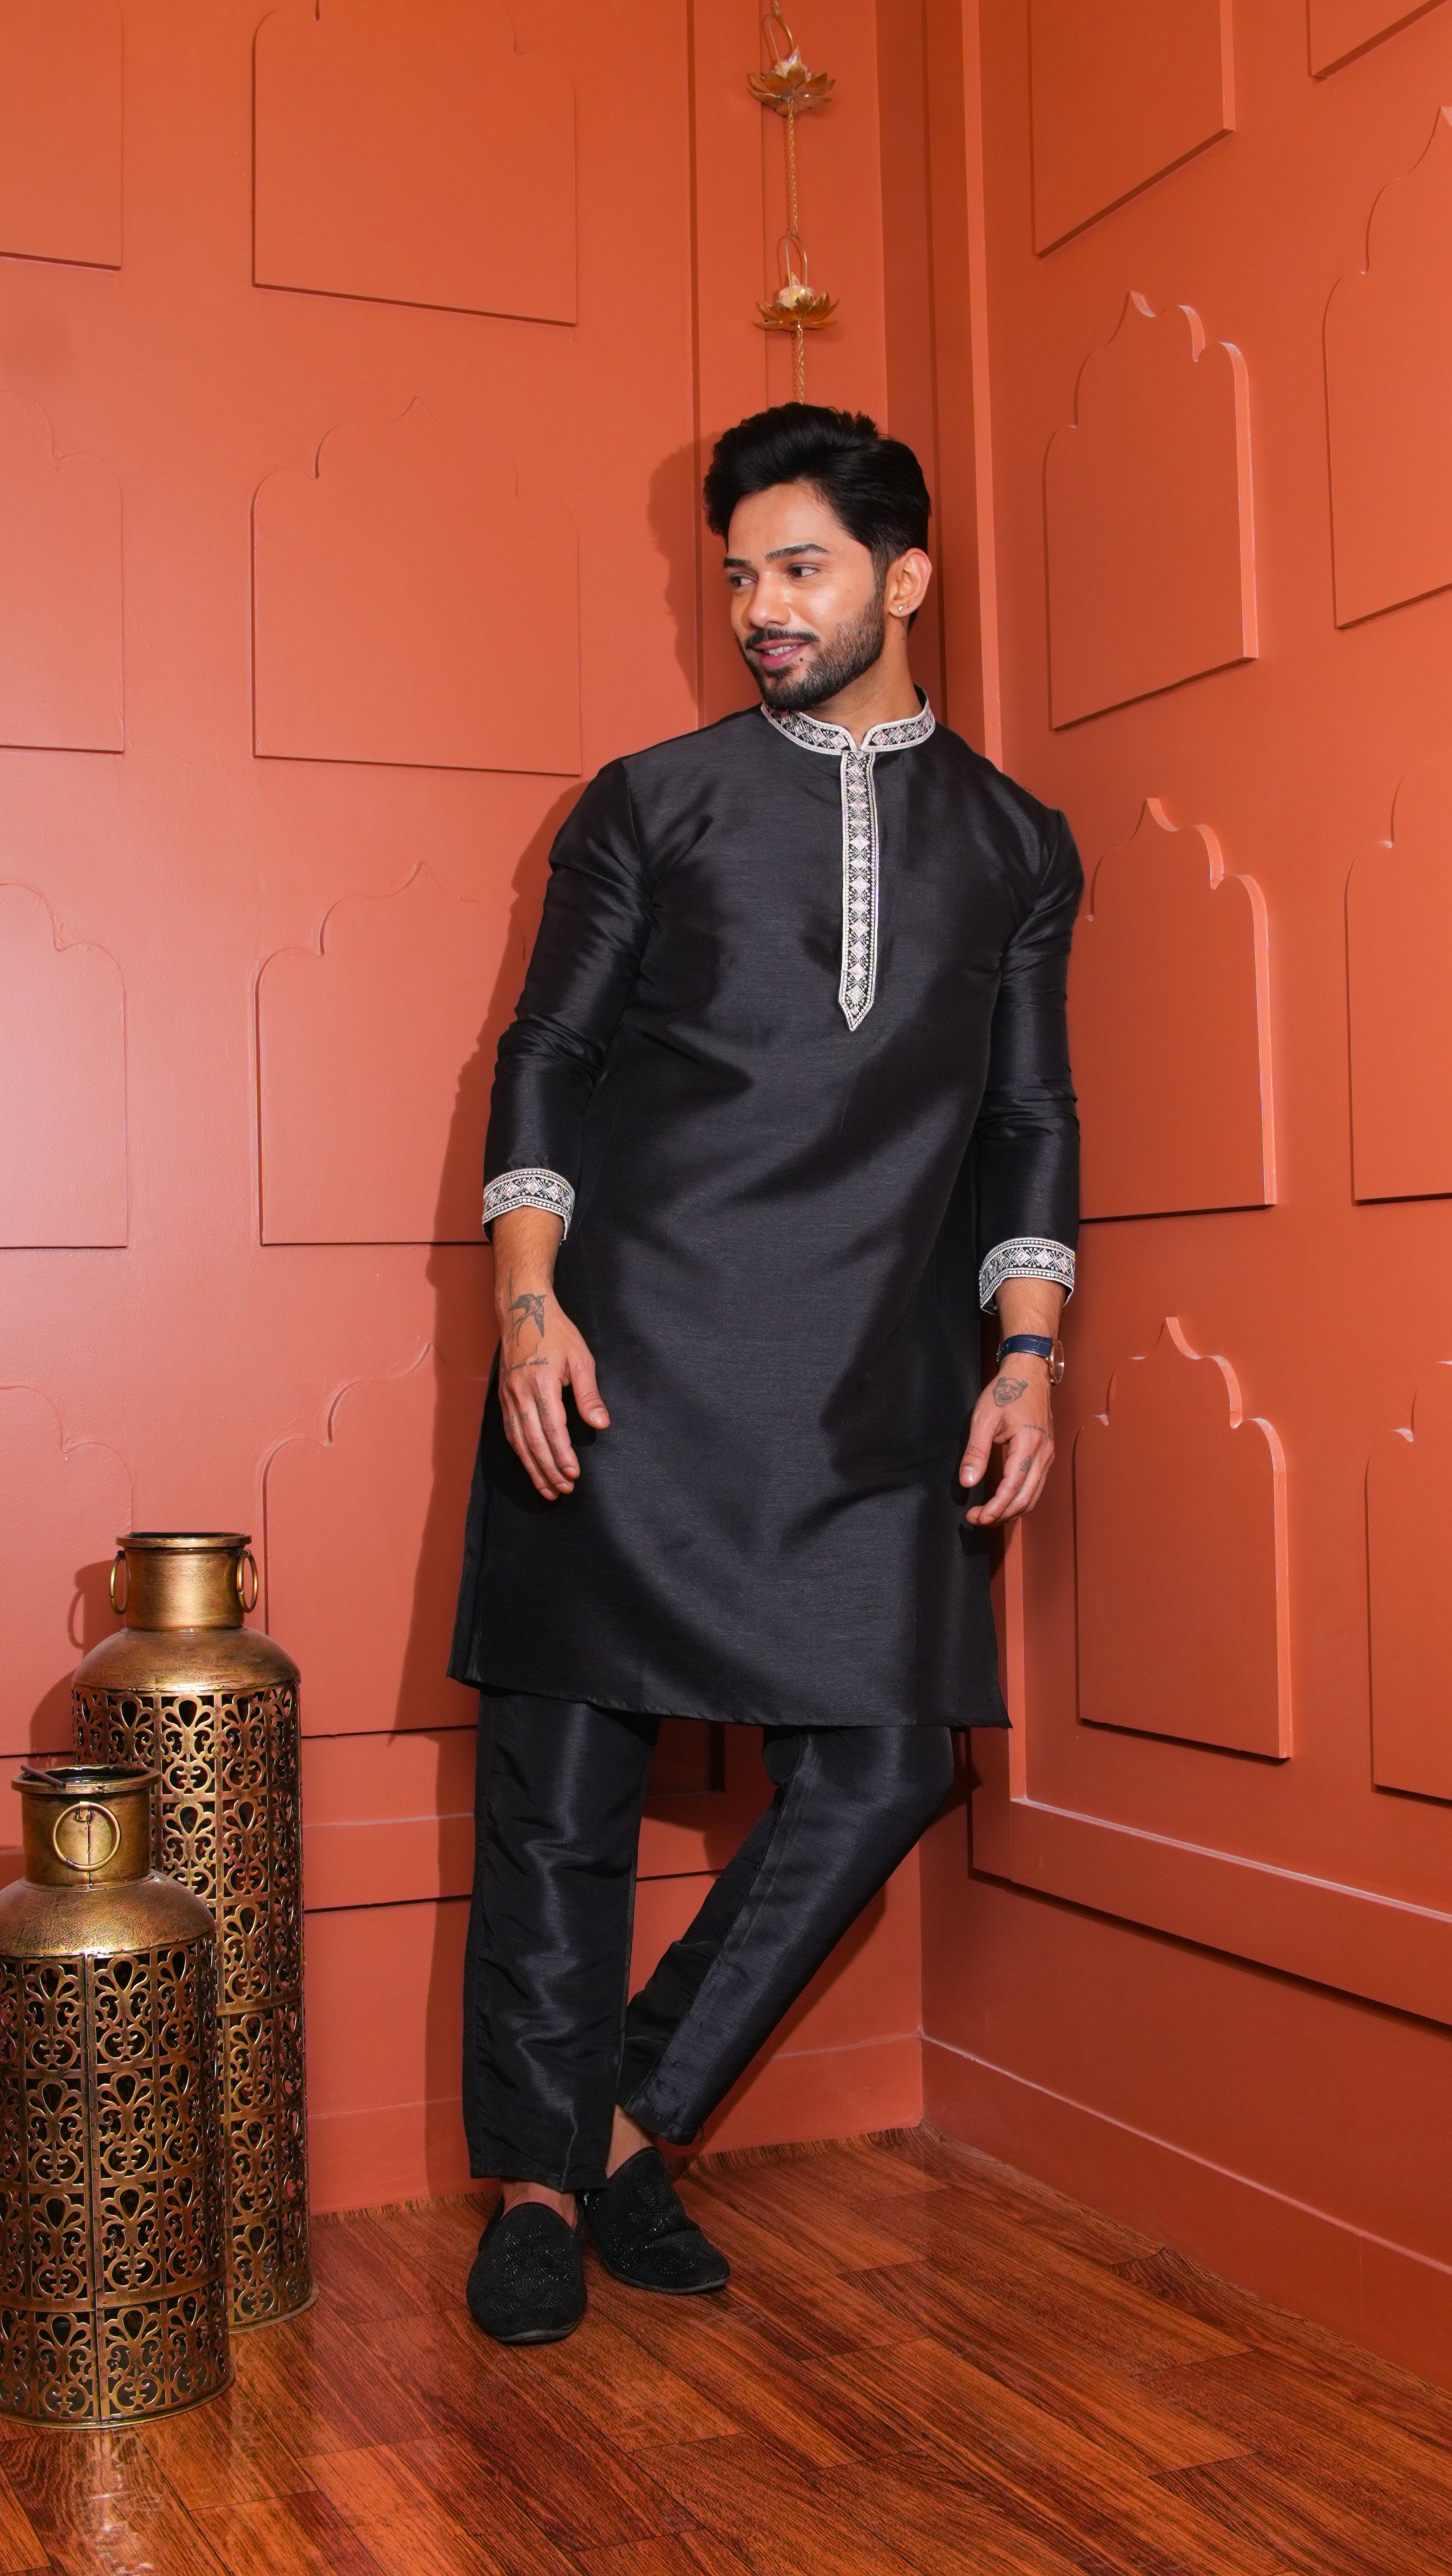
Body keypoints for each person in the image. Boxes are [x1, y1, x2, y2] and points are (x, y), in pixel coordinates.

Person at [449, 403, 1081, 2344]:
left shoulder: (1017, 845)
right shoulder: (653, 801)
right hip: (622, 1349)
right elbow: (547, 1055)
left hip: (865, 1387)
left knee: (887, 1766)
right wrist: (532, 1302)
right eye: (735, 573)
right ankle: (540, 2191)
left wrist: (1030, 1352)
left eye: (796, 568)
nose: (757, 609)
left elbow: (1028, 1117)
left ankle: (631, 2112)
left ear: (903, 578)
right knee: (561, 1793)